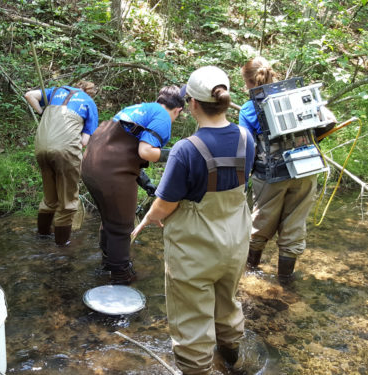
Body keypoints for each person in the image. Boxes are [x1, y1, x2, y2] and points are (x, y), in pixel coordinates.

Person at [132, 66, 255, 374]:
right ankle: (232, 359)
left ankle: (196, 367)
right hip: (236, 241)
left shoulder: (186, 150)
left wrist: (146, 220)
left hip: (195, 249)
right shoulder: (245, 137)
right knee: (227, 302)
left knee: (191, 319)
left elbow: (165, 205)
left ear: (193, 104)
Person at [239, 56, 335, 283]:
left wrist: (243, 179)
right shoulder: (297, 96)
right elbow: (329, 121)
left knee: (260, 225)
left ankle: (250, 275)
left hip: (271, 175)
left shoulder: (249, 107)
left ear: (249, 82)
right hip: (306, 168)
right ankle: (285, 282)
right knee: (294, 226)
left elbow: (247, 146)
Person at [81, 86, 184, 284]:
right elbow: (145, 152)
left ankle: (107, 264)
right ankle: (121, 277)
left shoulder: (139, 108)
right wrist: (180, 152)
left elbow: (123, 150)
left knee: (109, 219)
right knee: (121, 227)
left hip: (91, 164)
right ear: (178, 110)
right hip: (111, 171)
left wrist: (146, 183)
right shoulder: (163, 116)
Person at [24, 81, 99, 246]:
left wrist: (42, 112)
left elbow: (29, 95)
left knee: (50, 199)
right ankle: (62, 248)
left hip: (41, 147)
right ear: (89, 93)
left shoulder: (56, 91)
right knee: (67, 202)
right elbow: (84, 141)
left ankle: (42, 239)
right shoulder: (89, 103)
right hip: (65, 151)